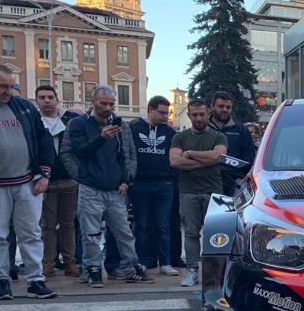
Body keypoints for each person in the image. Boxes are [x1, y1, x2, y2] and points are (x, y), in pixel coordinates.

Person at [63, 86, 153, 287]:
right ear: (93, 101)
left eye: (111, 103)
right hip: (90, 187)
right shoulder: (78, 124)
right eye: (103, 103)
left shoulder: (119, 124)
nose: (108, 107)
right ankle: (92, 269)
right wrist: (100, 138)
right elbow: (79, 151)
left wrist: (125, 180)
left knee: (124, 231)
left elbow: (124, 154)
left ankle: (130, 266)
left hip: (115, 188)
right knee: (91, 233)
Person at [0, 64, 57, 300]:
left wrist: (44, 173)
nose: (7, 91)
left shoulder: (24, 108)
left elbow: (43, 139)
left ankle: (36, 280)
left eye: (11, 86)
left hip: (27, 181)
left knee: (30, 232)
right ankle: (0, 280)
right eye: (2, 86)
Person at [170, 99, 227, 287]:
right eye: (194, 115)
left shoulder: (218, 136)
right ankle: (192, 271)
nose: (199, 118)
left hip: (213, 191)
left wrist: (191, 153)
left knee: (215, 234)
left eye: (202, 114)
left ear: (208, 114)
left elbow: (219, 156)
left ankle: (213, 273)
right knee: (191, 233)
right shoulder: (179, 137)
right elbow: (176, 162)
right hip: (188, 192)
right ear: (189, 116)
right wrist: (207, 160)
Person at [129, 95, 178, 275]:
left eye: (167, 112)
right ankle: (141, 261)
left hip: (163, 184)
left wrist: (171, 179)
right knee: (141, 224)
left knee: (163, 225)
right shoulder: (133, 129)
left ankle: (165, 262)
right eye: (162, 112)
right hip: (140, 183)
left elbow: (175, 156)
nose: (165, 116)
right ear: (150, 109)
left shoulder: (170, 133)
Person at [34, 85, 81, 277]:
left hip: (69, 180)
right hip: (45, 182)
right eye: (42, 97)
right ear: (37, 100)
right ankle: (48, 263)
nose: (46, 100)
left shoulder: (71, 120)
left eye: (50, 97)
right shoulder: (33, 121)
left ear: (57, 99)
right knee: (48, 226)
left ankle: (70, 262)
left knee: (68, 224)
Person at [209, 91, 255, 196]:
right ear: (212, 106)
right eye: (221, 106)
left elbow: (249, 157)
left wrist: (240, 178)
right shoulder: (204, 129)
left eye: (228, 107)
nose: (225, 109)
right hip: (207, 183)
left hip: (233, 185)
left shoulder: (241, 130)